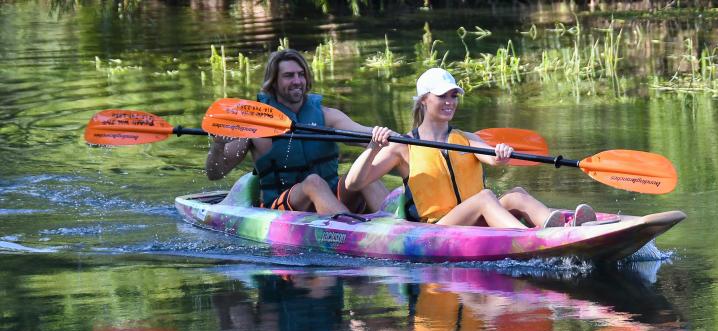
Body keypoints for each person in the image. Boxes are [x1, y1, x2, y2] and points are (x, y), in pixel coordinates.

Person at [345, 67, 596, 228]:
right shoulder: (403, 146)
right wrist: (373, 148)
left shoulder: (465, 138)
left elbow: (493, 160)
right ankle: (532, 239)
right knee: (486, 198)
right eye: (442, 96)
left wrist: (501, 154)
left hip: (474, 220)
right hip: (438, 229)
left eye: (454, 95)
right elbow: (354, 185)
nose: (450, 102)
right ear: (424, 100)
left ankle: (565, 228)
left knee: (516, 193)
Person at [206, 49, 389, 214]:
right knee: (313, 182)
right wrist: (218, 145)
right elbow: (215, 173)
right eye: (288, 76)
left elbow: (365, 133)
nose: (297, 81)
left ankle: (400, 228)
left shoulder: (327, 116)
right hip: (282, 207)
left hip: (332, 198)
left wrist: (394, 138)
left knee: (366, 176)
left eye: (301, 75)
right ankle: (351, 230)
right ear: (274, 82)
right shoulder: (254, 125)